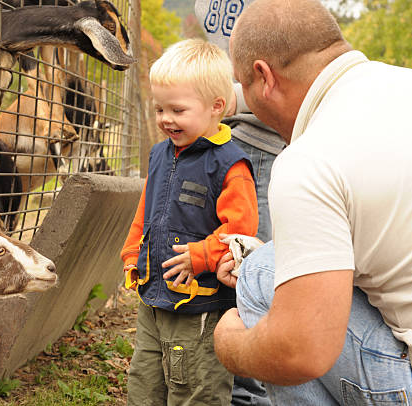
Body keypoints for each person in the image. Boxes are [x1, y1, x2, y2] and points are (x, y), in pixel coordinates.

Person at [213, 0, 412, 404]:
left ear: (263, 77)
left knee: (263, 271)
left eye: (241, 84)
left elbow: (302, 351)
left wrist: (230, 343)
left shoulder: (308, 161)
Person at [120, 38, 259, 405]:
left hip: (200, 304)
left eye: (178, 110)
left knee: (195, 388)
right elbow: (146, 211)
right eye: (159, 109)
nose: (166, 119)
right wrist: (134, 252)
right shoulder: (159, 154)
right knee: (144, 381)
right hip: (153, 299)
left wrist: (201, 256)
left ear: (217, 106)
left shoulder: (229, 165)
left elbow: (240, 230)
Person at [195, 1, 282, 404]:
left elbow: (286, 74)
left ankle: (249, 395)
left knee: (248, 269)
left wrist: (224, 99)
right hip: (223, 137)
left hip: (262, 140)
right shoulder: (203, 4)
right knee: (226, 264)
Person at [195, 0, 286, 244]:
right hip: (221, 130)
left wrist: (234, 98)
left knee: (252, 246)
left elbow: (288, 72)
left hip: (261, 136)